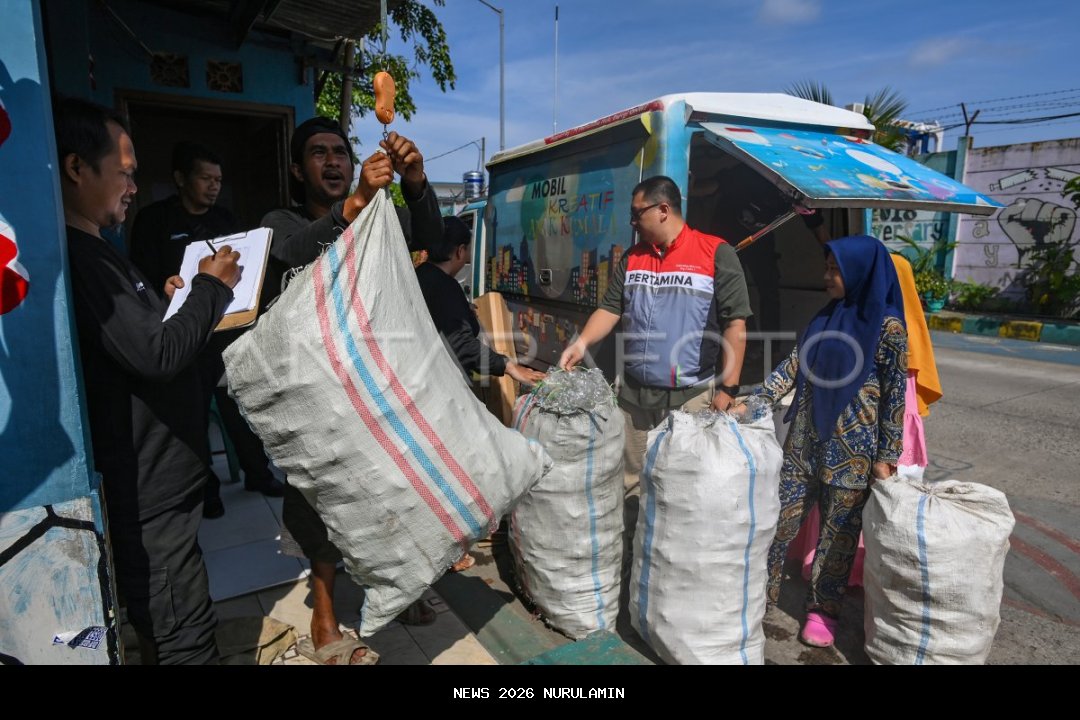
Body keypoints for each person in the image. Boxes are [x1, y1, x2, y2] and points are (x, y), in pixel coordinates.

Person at [56, 97, 242, 664]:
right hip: (147, 496)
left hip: (163, 488)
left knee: (178, 619)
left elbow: (140, 339)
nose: (134, 188)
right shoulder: (84, 260)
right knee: (184, 637)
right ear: (77, 168)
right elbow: (159, 355)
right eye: (125, 173)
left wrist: (170, 303)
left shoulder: (100, 250)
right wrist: (212, 288)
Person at [260, 116, 444, 665]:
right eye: (318, 153)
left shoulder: (381, 216)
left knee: (389, 488)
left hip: (375, 375)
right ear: (299, 170)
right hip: (313, 384)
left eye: (340, 151)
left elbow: (431, 239)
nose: (333, 161)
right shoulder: (280, 222)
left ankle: (395, 586)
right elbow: (291, 253)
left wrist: (415, 181)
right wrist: (356, 201)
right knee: (320, 497)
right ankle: (323, 610)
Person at [745, 234, 907, 649]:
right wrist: (756, 401)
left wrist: (887, 455)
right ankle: (760, 593)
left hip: (855, 451)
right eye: (827, 268)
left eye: (835, 270)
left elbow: (895, 395)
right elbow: (793, 366)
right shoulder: (824, 318)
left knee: (838, 536)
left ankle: (823, 608)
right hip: (805, 440)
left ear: (859, 273)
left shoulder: (887, 328)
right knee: (778, 519)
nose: (826, 277)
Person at [558, 175, 752, 488]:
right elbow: (610, 308)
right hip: (634, 397)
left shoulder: (715, 253)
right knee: (631, 483)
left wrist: (728, 389)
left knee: (682, 485)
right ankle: (632, 522)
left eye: (637, 213)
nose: (632, 222)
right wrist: (581, 344)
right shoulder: (633, 258)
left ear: (663, 210)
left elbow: (735, 323)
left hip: (690, 397)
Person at [129, 142, 282, 519]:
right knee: (193, 416)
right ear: (181, 179)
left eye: (218, 180)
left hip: (227, 334)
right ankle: (207, 490)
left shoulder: (226, 222)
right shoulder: (154, 221)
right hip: (183, 335)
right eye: (205, 178)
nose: (214, 186)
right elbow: (142, 278)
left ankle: (258, 474)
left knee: (241, 408)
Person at [416, 216, 547, 572]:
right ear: (460, 251)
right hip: (440, 390)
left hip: (419, 386)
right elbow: (461, 345)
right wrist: (508, 366)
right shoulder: (443, 286)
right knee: (448, 470)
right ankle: (447, 550)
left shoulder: (421, 277)